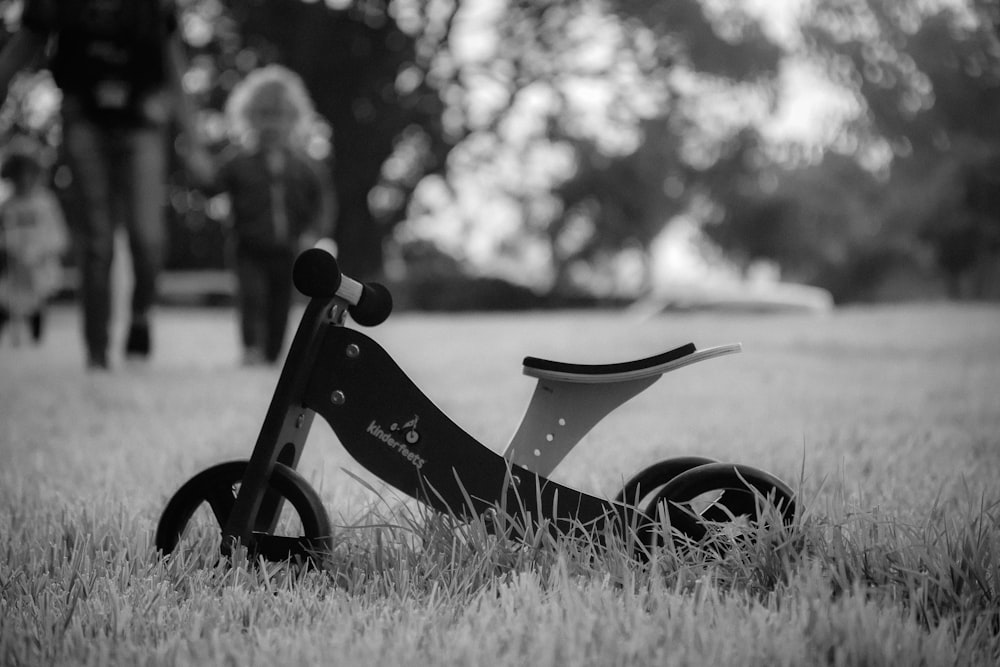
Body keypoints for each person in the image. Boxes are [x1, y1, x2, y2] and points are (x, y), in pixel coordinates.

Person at [0, 0, 202, 369]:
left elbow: (173, 64)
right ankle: (97, 352)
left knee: (147, 236)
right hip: (83, 120)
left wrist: (194, 141)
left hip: (143, 121)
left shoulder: (155, 8)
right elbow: (23, 45)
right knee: (96, 240)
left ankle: (140, 315)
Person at [193, 64, 334, 365]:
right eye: (264, 115)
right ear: (249, 117)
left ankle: (272, 354)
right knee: (251, 297)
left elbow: (322, 204)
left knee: (281, 304)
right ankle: (251, 349)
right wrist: (196, 164)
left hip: (290, 250)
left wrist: (315, 233)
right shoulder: (237, 162)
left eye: (279, 115)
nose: (272, 124)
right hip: (247, 247)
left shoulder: (305, 166)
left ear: (294, 119)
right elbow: (210, 186)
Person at [0, 138, 68, 344]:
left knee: (37, 295)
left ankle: (36, 327)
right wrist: (7, 248)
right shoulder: (7, 206)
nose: (23, 179)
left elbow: (58, 235)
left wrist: (41, 251)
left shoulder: (45, 203)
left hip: (40, 263)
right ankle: (11, 324)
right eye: (18, 173)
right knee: (8, 296)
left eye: (28, 172)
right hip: (14, 263)